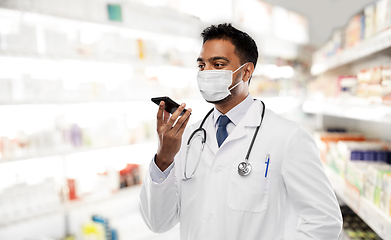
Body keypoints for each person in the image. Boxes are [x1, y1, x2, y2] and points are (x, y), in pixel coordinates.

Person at [139, 23, 342, 239]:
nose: (206, 73)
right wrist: (164, 159)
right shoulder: (187, 137)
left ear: (246, 71)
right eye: (201, 66)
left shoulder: (288, 137)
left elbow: (325, 221)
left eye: (218, 65)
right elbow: (157, 222)